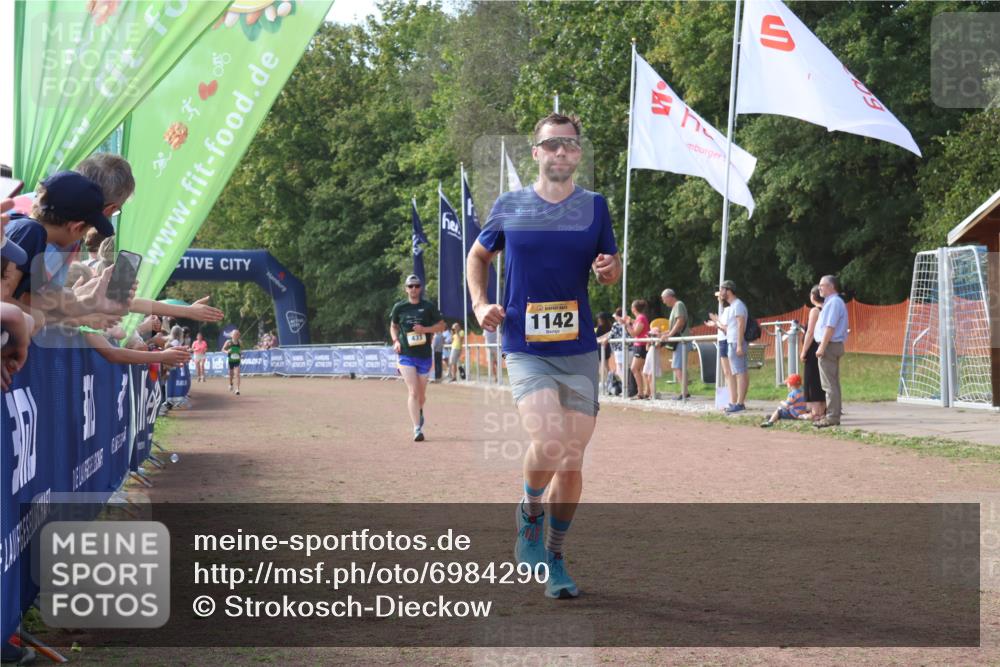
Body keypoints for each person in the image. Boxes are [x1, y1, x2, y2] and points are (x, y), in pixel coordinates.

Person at [467, 112, 621, 599]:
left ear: (578, 153)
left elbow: (610, 267)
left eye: (569, 144)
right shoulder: (510, 205)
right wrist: (480, 304)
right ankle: (530, 511)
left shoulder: (594, 207)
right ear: (536, 152)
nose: (561, 151)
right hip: (525, 345)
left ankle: (554, 555)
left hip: (578, 348)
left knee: (572, 460)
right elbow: (477, 255)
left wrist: (609, 269)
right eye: (551, 144)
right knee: (550, 440)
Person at [389, 274, 446, 441]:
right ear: (406, 289)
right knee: (413, 392)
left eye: (416, 286)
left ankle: (419, 410)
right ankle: (417, 429)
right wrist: (395, 341)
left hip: (424, 356)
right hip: (406, 355)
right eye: (410, 286)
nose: (413, 289)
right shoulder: (399, 307)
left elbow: (442, 326)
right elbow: (393, 326)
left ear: (420, 288)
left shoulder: (428, 307)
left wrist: (425, 330)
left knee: (421, 396)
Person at [814, 275, 848, 428]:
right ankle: (835, 413)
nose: (819, 288)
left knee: (828, 383)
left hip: (829, 345)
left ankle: (832, 416)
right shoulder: (833, 302)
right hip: (833, 344)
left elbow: (830, 326)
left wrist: (822, 347)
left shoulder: (834, 302)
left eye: (822, 285)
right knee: (832, 382)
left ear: (831, 286)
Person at [718, 280, 749, 413]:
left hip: (736, 342)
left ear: (728, 290)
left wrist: (739, 345)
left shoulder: (738, 305)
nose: (720, 292)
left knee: (740, 373)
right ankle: (737, 403)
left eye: (722, 289)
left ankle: (740, 403)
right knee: (738, 372)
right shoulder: (734, 305)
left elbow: (740, 325)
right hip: (733, 342)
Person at [799, 285, 827, 421]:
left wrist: (804, 351)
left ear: (813, 296)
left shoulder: (815, 311)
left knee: (812, 379)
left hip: (813, 348)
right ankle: (823, 410)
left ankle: (815, 412)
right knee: (822, 379)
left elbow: (810, 332)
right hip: (823, 346)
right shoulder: (827, 309)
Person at [660, 288, 691, 400]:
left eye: (664, 299)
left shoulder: (678, 305)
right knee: (679, 366)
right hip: (680, 341)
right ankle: (685, 391)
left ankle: (684, 392)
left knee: (676, 366)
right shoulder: (676, 307)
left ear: (670, 296)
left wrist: (669, 334)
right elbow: (675, 326)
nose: (664, 302)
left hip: (682, 341)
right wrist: (664, 333)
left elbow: (680, 322)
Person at [705, 290, 731, 402]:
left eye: (719, 297)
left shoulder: (728, 310)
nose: (718, 299)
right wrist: (715, 324)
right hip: (723, 340)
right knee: (726, 372)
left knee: (728, 372)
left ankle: (732, 398)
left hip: (726, 341)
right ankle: (730, 398)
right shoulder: (725, 311)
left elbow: (726, 328)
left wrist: (716, 321)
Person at [623, 299, 650, 398]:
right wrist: (630, 321)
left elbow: (634, 333)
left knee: (634, 368)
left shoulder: (641, 318)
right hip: (639, 346)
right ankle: (645, 392)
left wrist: (627, 325)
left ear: (634, 308)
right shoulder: (640, 318)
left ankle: (641, 392)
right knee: (641, 370)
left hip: (641, 346)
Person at [222, 329, 243, 395]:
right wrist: (227, 351)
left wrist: (241, 353)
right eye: (234, 334)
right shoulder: (228, 342)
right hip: (231, 360)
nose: (235, 335)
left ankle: (237, 389)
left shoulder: (240, 342)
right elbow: (222, 349)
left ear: (238, 335)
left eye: (237, 334)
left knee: (237, 374)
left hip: (237, 360)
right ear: (231, 335)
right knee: (231, 375)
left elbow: (241, 351)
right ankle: (231, 384)